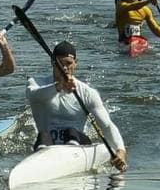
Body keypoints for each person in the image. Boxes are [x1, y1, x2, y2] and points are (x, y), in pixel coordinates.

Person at [26, 41, 127, 170]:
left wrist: (120, 151)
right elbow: (33, 95)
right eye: (60, 63)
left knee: (71, 132)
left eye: (68, 63)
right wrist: (59, 85)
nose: (64, 68)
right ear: (52, 62)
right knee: (43, 136)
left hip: (77, 146)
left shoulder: (87, 93)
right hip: (46, 146)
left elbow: (106, 126)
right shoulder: (36, 83)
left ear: (75, 63)